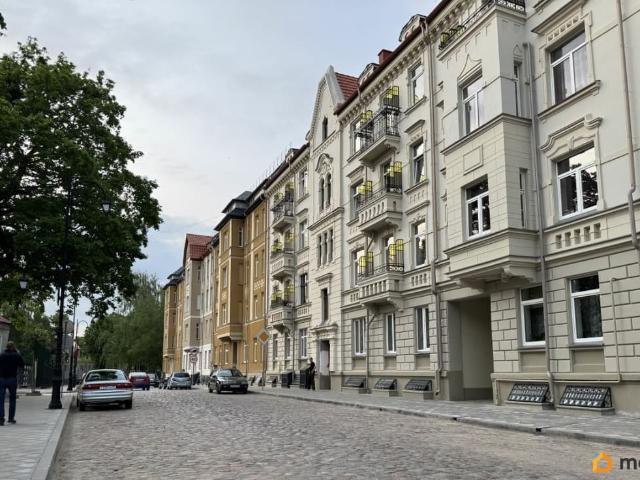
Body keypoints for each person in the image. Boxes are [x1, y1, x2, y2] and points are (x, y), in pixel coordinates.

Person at [0, 341, 25, 426]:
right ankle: (11, 418)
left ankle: (1, 418)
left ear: (6, 347)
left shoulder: (1, 355)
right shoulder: (16, 355)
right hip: (12, 379)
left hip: (2, 378)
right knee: (12, 398)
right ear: (13, 347)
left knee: (1, 399)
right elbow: (22, 365)